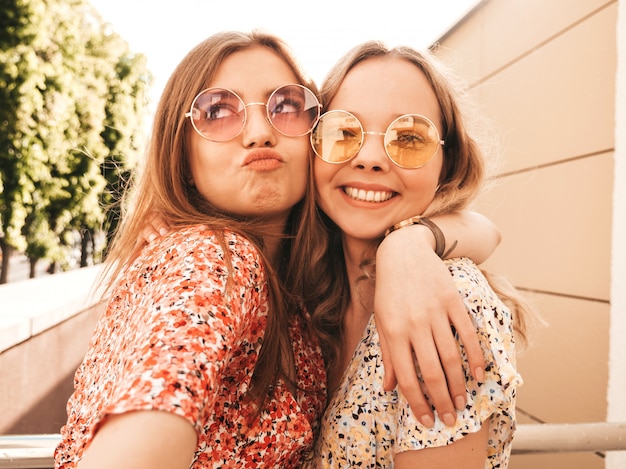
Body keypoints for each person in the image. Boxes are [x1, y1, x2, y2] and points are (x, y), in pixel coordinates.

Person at [54, 31, 501, 469]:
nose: (259, 133)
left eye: (286, 106)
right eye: (217, 111)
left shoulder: (317, 294)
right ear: (180, 151)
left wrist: (413, 242)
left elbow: (484, 232)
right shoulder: (213, 260)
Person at [304, 40, 534, 468]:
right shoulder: (306, 295)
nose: (370, 158)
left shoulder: (450, 303)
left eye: (409, 137)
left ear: (446, 165)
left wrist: (408, 241)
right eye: (344, 131)